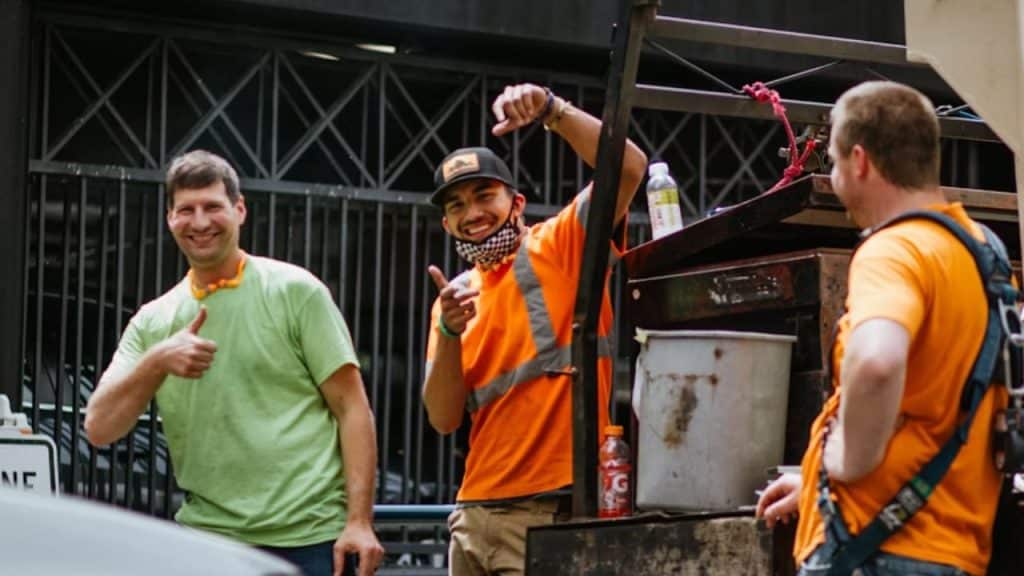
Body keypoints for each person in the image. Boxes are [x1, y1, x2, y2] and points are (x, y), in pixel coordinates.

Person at [85, 150, 385, 576]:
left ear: (239, 210)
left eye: (213, 207)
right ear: (170, 218)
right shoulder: (154, 322)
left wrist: (359, 521)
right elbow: (99, 428)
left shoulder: (296, 291)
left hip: (313, 541)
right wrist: (157, 361)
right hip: (209, 543)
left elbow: (352, 408)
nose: (200, 222)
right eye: (186, 210)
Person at [756, 81, 1008, 575]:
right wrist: (813, 483)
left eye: (831, 161)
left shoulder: (893, 251)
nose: (832, 175)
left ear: (860, 161)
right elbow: (938, 410)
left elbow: (876, 362)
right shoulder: (984, 256)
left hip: (877, 552)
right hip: (951, 551)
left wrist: (843, 462)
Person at [422, 83, 647, 575]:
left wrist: (552, 110)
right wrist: (450, 331)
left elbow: (629, 167)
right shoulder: (455, 299)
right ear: (446, 224)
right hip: (474, 514)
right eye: (456, 206)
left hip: (551, 511)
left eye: (484, 195)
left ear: (517, 202)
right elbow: (442, 419)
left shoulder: (562, 244)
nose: (473, 213)